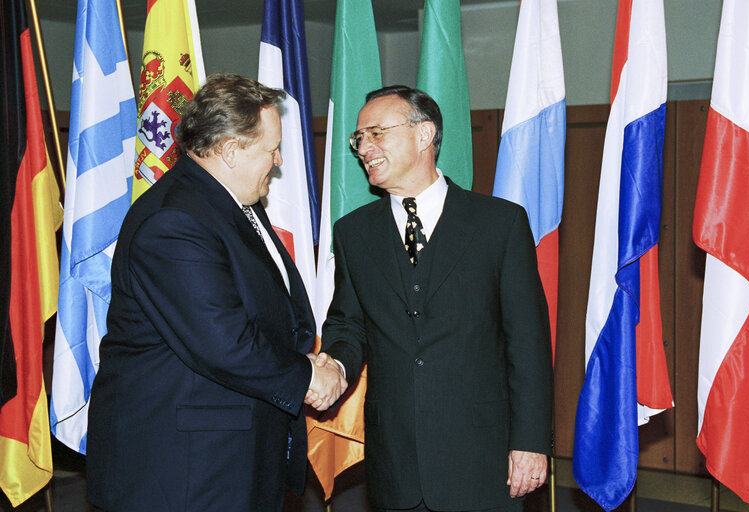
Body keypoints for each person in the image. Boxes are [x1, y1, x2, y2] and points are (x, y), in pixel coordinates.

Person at [86, 73, 346, 512]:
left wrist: (307, 360)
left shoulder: (231, 202)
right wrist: (306, 376)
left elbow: (271, 308)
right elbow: (223, 341)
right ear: (229, 150)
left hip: (229, 456)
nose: (279, 160)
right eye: (271, 148)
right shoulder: (174, 221)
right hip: (181, 470)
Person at [309, 86, 553, 512]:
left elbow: (527, 344)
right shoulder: (353, 232)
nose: (364, 147)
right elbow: (348, 325)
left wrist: (531, 442)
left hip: (483, 457)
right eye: (358, 138)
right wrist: (336, 367)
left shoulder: (499, 224)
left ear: (424, 135)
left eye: (376, 133)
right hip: (394, 462)